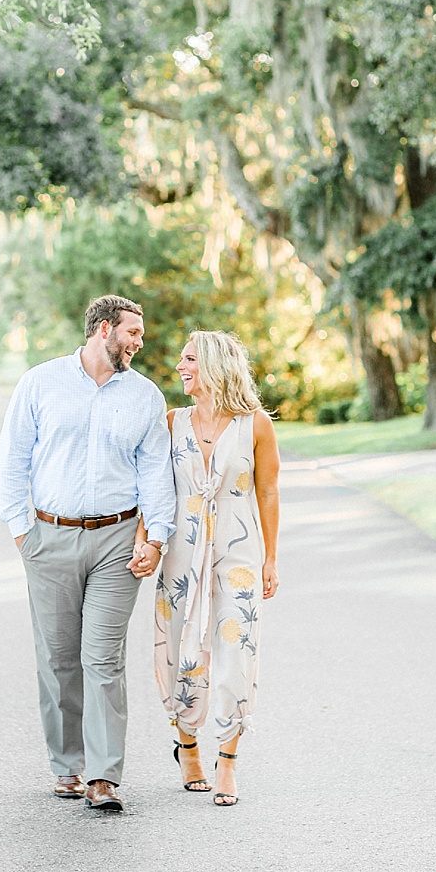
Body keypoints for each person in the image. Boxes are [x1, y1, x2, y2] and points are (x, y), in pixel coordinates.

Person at [0, 294, 176, 813]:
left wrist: (155, 537)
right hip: (48, 539)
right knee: (57, 658)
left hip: (118, 542)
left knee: (103, 658)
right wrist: (21, 532)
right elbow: (13, 458)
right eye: (133, 333)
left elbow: (154, 473)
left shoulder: (144, 396)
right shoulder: (40, 383)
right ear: (103, 329)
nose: (140, 342)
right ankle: (67, 766)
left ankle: (103, 776)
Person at [153, 331, 281, 806]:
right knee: (181, 648)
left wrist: (270, 558)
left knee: (236, 651)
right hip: (183, 555)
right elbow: (154, 489)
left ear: (211, 365)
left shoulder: (255, 425)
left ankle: (227, 759)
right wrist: (148, 542)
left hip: (237, 554)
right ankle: (187, 746)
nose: (180, 367)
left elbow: (267, 492)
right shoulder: (171, 422)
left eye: (188, 359)